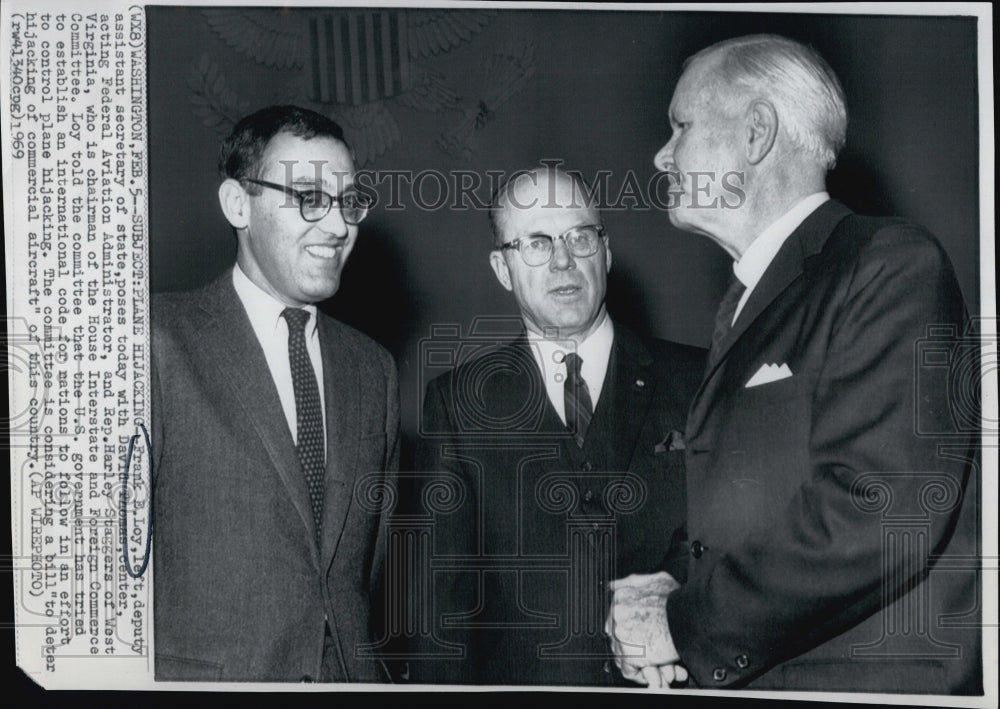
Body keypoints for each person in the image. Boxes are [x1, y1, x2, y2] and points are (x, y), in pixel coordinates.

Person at [606, 35, 981, 694]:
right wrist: (669, 579)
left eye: (680, 127)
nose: (662, 155)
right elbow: (748, 503)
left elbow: (881, 508)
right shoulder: (753, 300)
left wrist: (684, 624)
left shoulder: (889, 265)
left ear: (754, 134)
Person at [404, 165, 704, 685]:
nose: (564, 260)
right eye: (537, 244)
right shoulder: (457, 405)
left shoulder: (701, 378)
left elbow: (738, 543)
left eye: (579, 237)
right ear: (502, 268)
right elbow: (438, 617)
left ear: (606, 253)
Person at [152, 105, 399, 682]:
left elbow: (369, 568)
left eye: (348, 201)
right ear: (239, 204)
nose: (338, 226)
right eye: (309, 196)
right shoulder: (158, 342)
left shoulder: (374, 369)